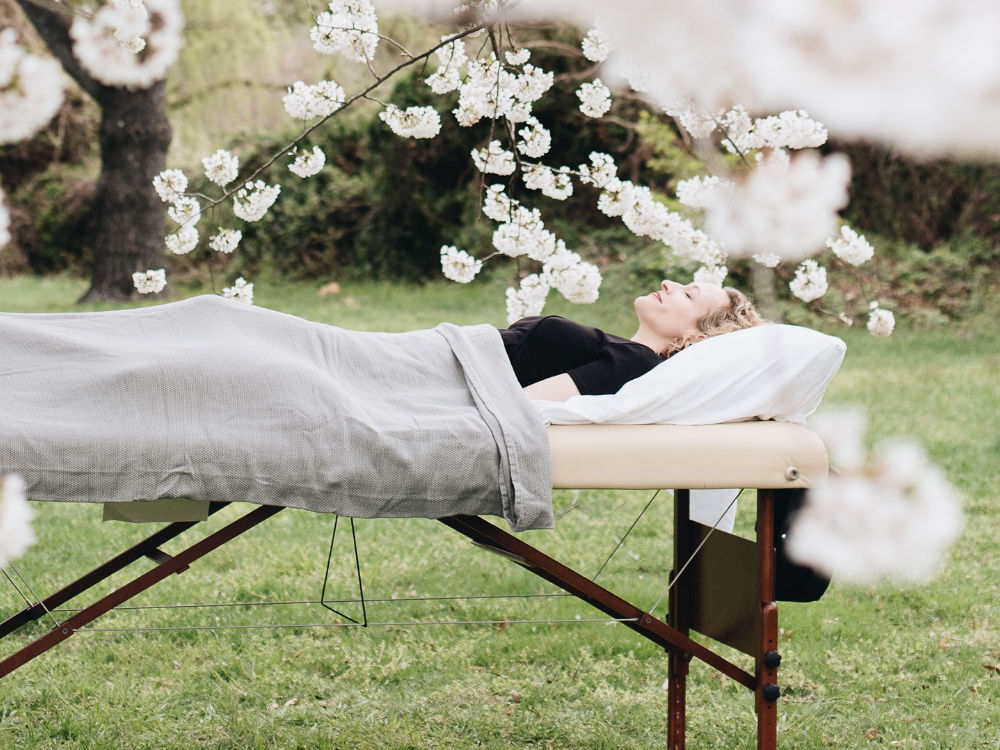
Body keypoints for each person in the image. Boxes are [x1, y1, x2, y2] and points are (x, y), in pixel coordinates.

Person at [501, 279, 763, 402]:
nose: (667, 283)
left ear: (696, 336)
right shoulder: (627, 354)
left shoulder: (636, 363)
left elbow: (518, 404)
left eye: (688, 295)